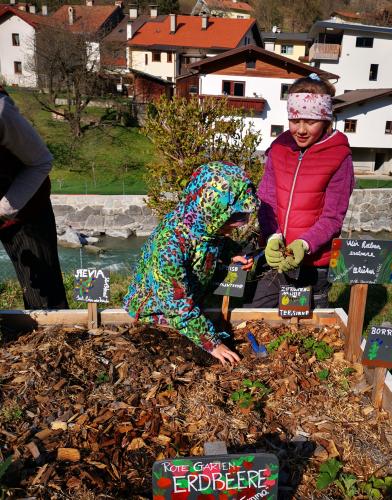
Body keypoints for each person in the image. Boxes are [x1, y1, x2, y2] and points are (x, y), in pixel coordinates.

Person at [123, 162, 259, 366]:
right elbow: (175, 305)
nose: (239, 224)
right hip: (156, 314)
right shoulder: (169, 244)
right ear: (210, 210)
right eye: (235, 217)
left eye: (242, 217)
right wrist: (212, 343)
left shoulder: (202, 225)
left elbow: (213, 242)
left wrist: (233, 253)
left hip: (191, 301)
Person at [245, 73, 354, 308]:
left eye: (310, 121)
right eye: (295, 120)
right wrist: (272, 236)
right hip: (275, 258)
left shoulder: (339, 156)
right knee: (256, 314)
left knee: (308, 327)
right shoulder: (279, 148)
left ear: (326, 121)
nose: (301, 130)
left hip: (315, 263)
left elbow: (333, 217)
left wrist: (304, 244)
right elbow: (267, 200)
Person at [0, 86, 68, 309]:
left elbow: (41, 162)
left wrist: (2, 210)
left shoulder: (1, 112)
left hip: (26, 207)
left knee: (44, 299)